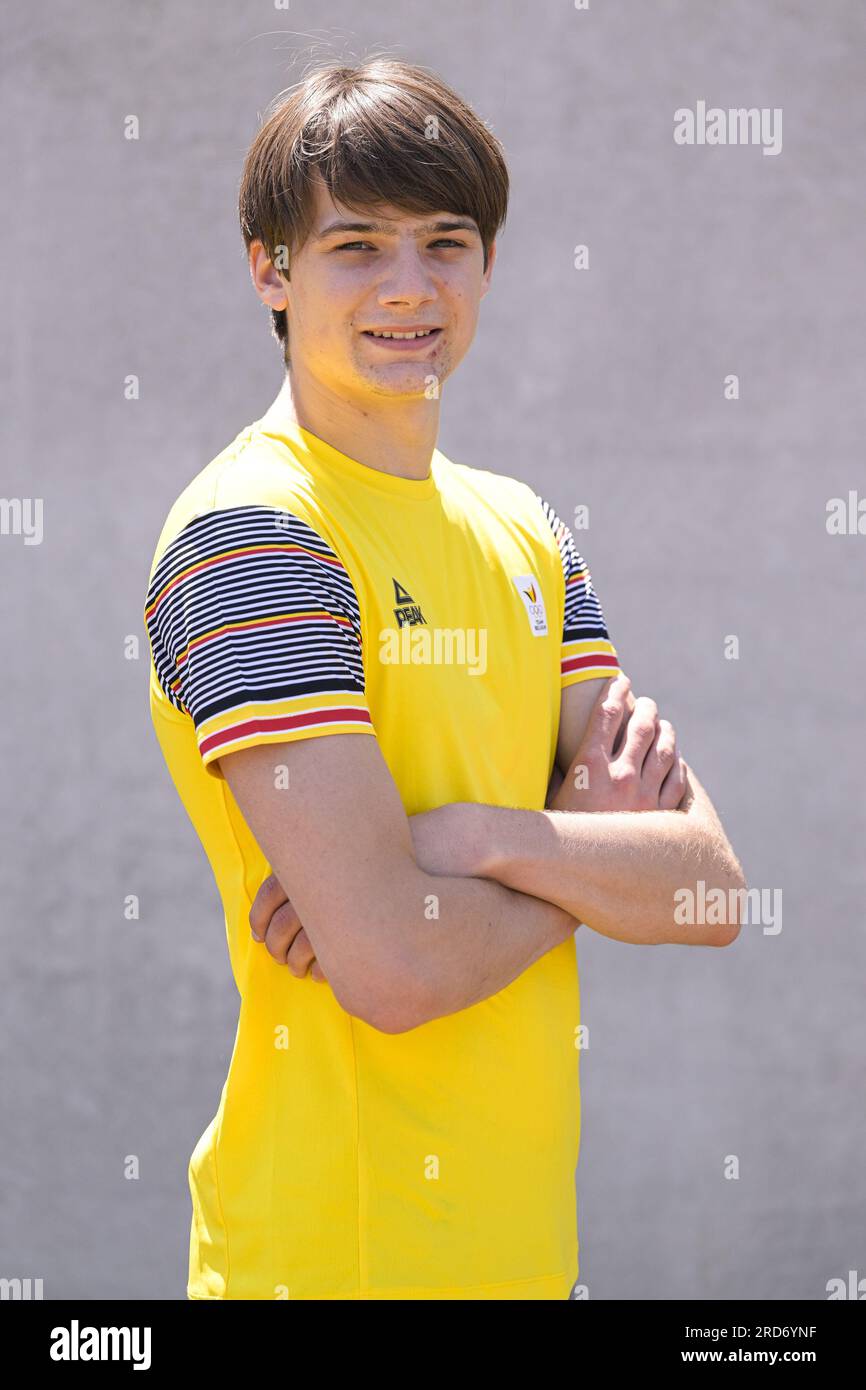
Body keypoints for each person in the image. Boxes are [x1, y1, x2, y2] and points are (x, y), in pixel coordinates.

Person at [143, 57, 745, 1301]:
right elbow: (396, 974)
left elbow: (708, 891)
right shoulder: (255, 532)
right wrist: (581, 855)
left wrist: (468, 839)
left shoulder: (525, 529)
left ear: (485, 264)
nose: (409, 287)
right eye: (355, 246)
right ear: (270, 268)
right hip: (331, 1257)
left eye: (445, 242)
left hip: (517, 1258)